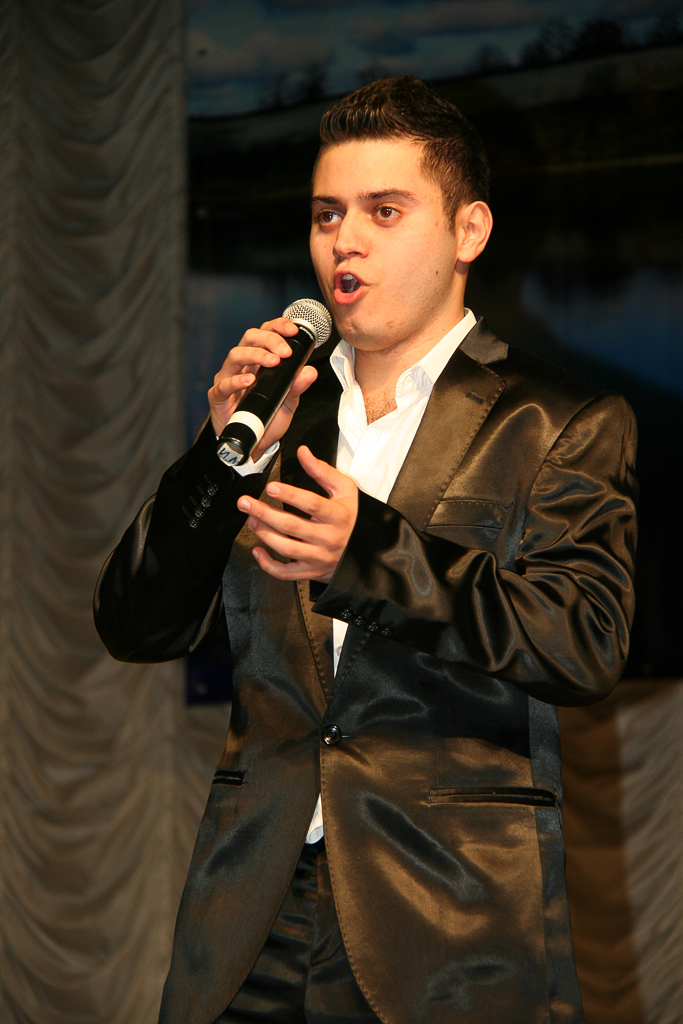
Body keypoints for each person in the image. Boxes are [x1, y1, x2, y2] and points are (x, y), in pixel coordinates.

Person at [94, 77, 637, 1024]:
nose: (344, 240)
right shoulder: (274, 414)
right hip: (250, 915)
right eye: (327, 214)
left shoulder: (556, 420)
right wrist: (217, 460)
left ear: (468, 231)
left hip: (447, 920)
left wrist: (371, 555)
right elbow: (136, 627)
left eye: (384, 211)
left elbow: (582, 642)